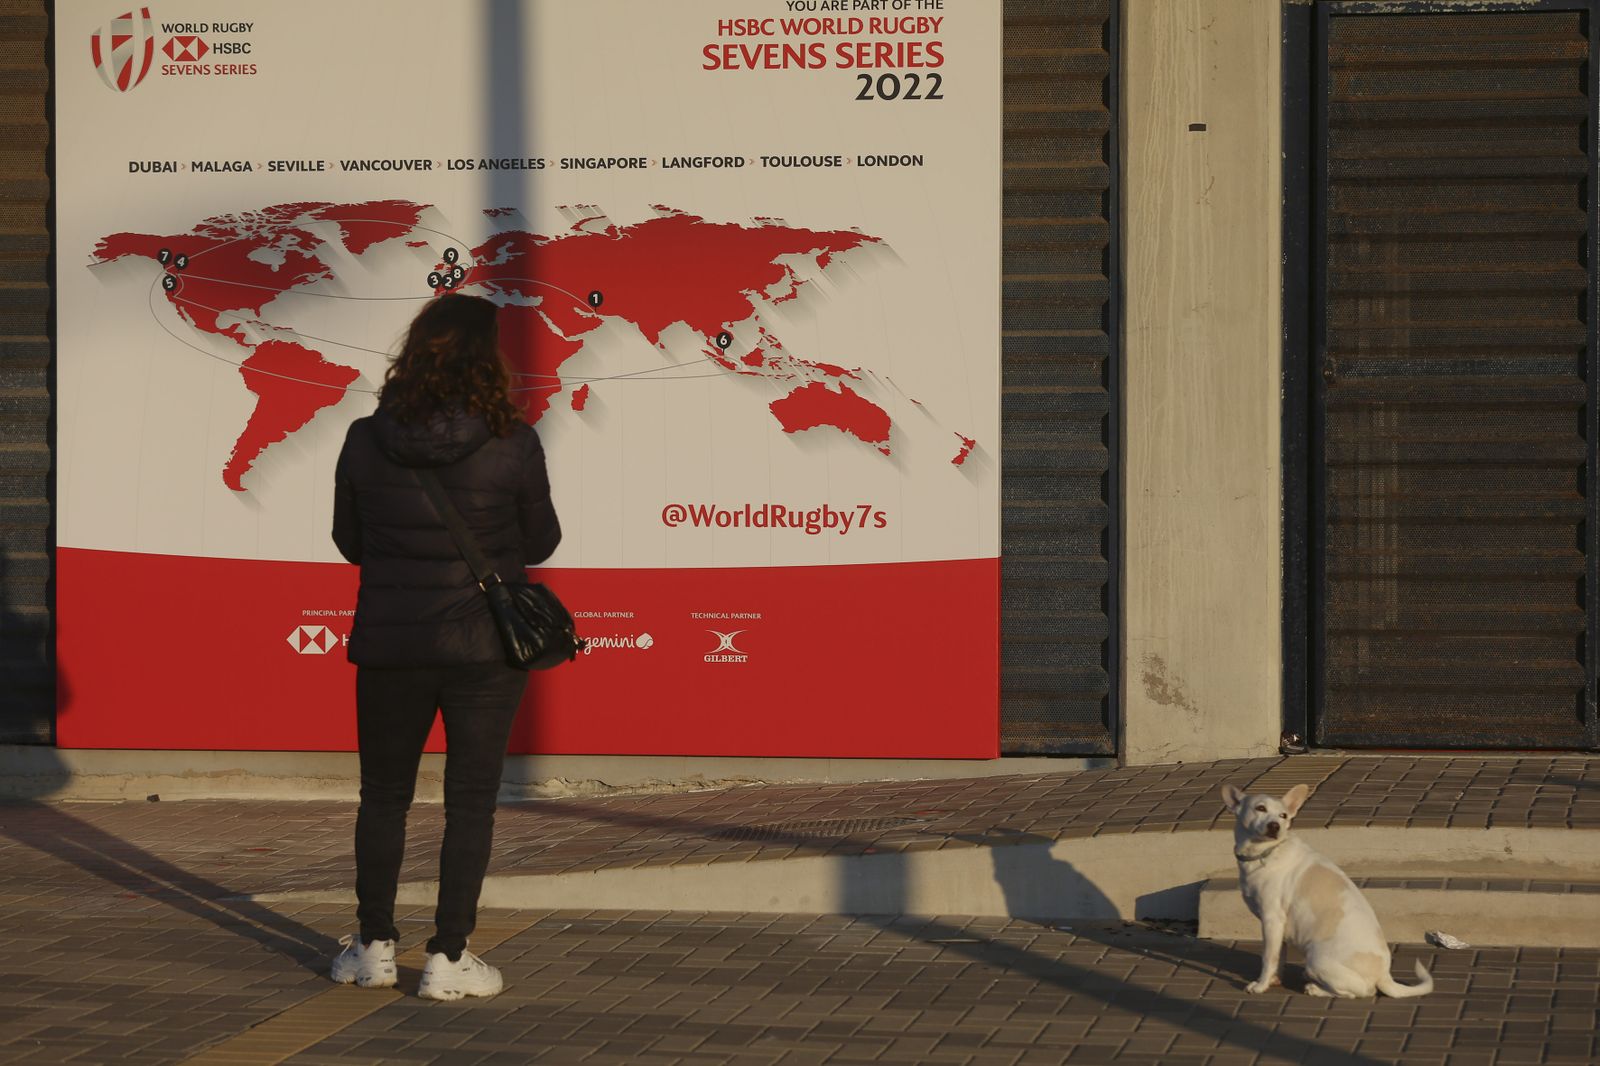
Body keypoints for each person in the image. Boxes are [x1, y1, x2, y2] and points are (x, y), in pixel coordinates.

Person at [327, 293, 560, 1000]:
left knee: (384, 797)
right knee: (470, 802)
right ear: (488, 359)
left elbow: (349, 541)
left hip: (392, 645)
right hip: (485, 648)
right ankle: (450, 957)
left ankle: (372, 947)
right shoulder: (513, 441)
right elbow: (543, 540)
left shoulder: (366, 438)